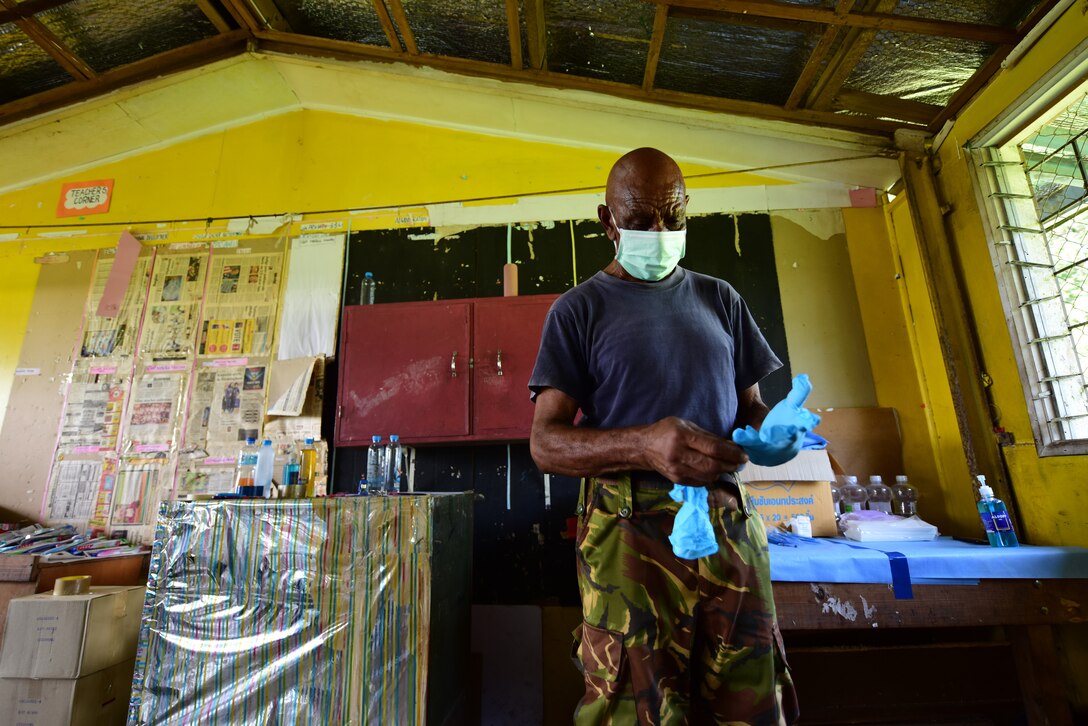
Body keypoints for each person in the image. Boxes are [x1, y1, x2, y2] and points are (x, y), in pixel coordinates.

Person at [529, 147, 799, 725]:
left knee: (751, 701)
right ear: (607, 222)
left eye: (672, 218)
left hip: (728, 526)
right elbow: (545, 443)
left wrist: (773, 432)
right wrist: (642, 444)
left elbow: (751, 407)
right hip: (630, 536)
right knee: (638, 706)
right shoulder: (578, 310)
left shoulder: (719, 298)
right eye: (639, 219)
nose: (658, 233)